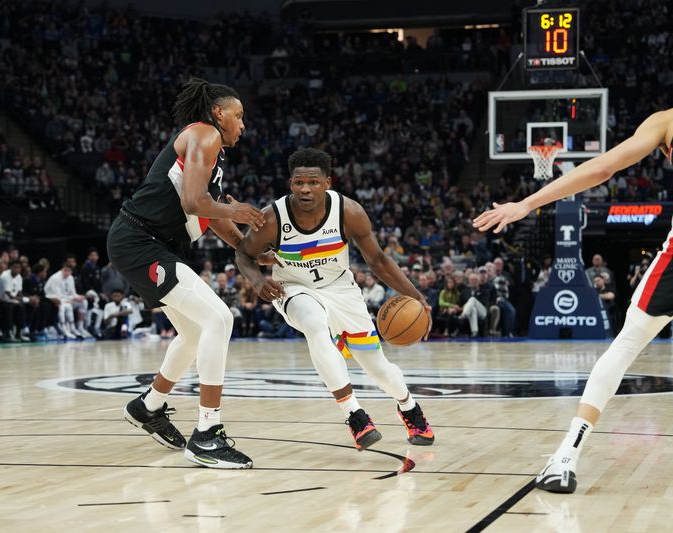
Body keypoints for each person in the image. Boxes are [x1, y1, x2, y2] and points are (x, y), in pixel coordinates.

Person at [473, 108, 673, 493]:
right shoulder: (664, 122)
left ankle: (565, 456)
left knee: (626, 345)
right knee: (628, 341)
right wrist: (528, 203)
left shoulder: (665, 122)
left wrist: (528, 203)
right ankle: (566, 454)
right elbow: (602, 167)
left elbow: (603, 169)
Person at [106, 78, 263, 469]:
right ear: (218, 113)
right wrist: (238, 211)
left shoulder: (213, 154)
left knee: (194, 331)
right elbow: (196, 201)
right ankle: (208, 433)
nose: (243, 125)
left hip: (156, 243)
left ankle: (149, 405)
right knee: (219, 318)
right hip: (140, 239)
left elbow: (206, 211)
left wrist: (256, 252)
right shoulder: (204, 134)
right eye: (239, 115)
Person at [236, 148, 434, 451]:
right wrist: (257, 279)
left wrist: (417, 297)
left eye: (313, 182)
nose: (305, 188)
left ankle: (408, 406)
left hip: (342, 289)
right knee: (315, 324)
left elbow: (378, 260)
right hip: (292, 287)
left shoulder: (349, 212)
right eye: (299, 182)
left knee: (378, 368)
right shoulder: (273, 218)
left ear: (327, 182)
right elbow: (244, 254)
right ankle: (354, 414)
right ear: (290, 184)